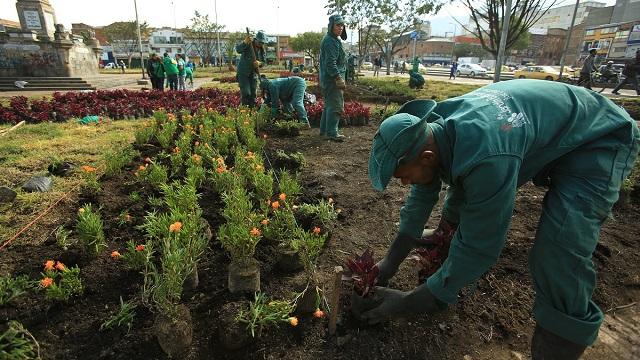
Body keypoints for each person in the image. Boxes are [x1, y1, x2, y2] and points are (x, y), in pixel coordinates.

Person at [365, 79, 639, 359]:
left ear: (425, 156)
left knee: (559, 249)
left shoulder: (487, 154)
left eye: (404, 177)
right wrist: (389, 264)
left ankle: (561, 339)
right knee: (462, 197)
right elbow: (421, 198)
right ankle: (449, 259)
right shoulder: (435, 129)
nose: (404, 184)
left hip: (599, 137)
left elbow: (482, 244)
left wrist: (411, 301)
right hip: (552, 130)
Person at [319, 14, 348, 142]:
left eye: (342, 25)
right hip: (332, 80)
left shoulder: (333, 39)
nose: (340, 28)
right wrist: (338, 77)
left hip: (329, 79)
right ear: (331, 26)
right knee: (335, 105)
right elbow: (330, 63)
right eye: (338, 25)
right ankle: (332, 132)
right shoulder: (330, 41)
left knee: (329, 105)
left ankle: (324, 131)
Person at [236, 30, 267, 107]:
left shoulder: (262, 50)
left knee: (253, 94)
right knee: (246, 93)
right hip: (243, 73)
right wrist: (244, 42)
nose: (261, 44)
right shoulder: (249, 44)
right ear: (256, 39)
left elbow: (264, 62)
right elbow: (238, 50)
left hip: (253, 74)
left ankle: (252, 110)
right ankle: (244, 110)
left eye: (262, 43)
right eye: (260, 42)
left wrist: (259, 63)